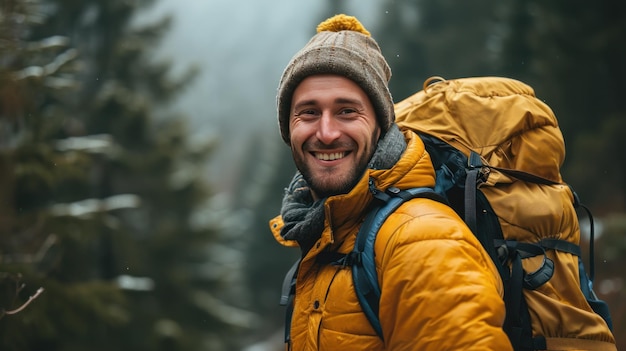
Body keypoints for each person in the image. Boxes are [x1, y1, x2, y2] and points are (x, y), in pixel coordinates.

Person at [269, 14, 513, 351]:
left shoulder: (420, 240)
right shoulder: (329, 231)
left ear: (380, 126)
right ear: (288, 129)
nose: (325, 133)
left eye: (347, 111)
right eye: (308, 112)